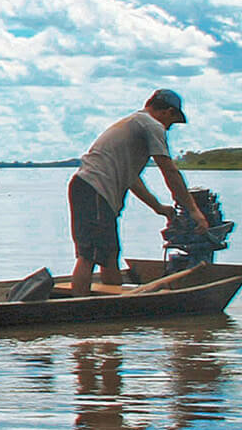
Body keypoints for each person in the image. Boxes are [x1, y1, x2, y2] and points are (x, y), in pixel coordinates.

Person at [69, 88, 210, 297]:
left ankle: (112, 307)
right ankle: (78, 309)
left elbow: (133, 179)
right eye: (172, 122)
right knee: (89, 254)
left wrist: (159, 208)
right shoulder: (151, 125)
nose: (169, 128)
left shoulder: (135, 123)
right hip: (94, 188)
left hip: (91, 189)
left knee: (109, 254)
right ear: (167, 111)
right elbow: (169, 170)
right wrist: (194, 211)